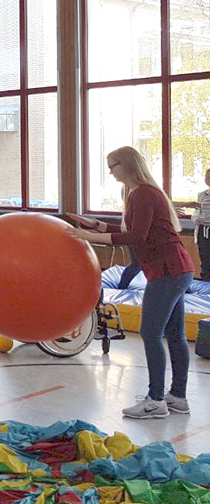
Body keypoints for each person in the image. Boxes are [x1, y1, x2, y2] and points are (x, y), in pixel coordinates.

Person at [68, 146, 194, 420]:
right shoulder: (141, 193)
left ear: (127, 165)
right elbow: (132, 231)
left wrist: (88, 237)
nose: (111, 172)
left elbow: (137, 237)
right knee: (175, 334)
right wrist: (96, 225)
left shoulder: (143, 194)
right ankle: (178, 397)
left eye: (113, 166)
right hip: (177, 269)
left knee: (151, 333)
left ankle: (156, 400)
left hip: (168, 271)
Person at [173, 167, 210, 280]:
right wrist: (196, 219)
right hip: (203, 230)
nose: (208, 180)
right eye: (207, 177)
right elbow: (197, 211)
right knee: (205, 258)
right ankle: (205, 281)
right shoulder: (202, 194)